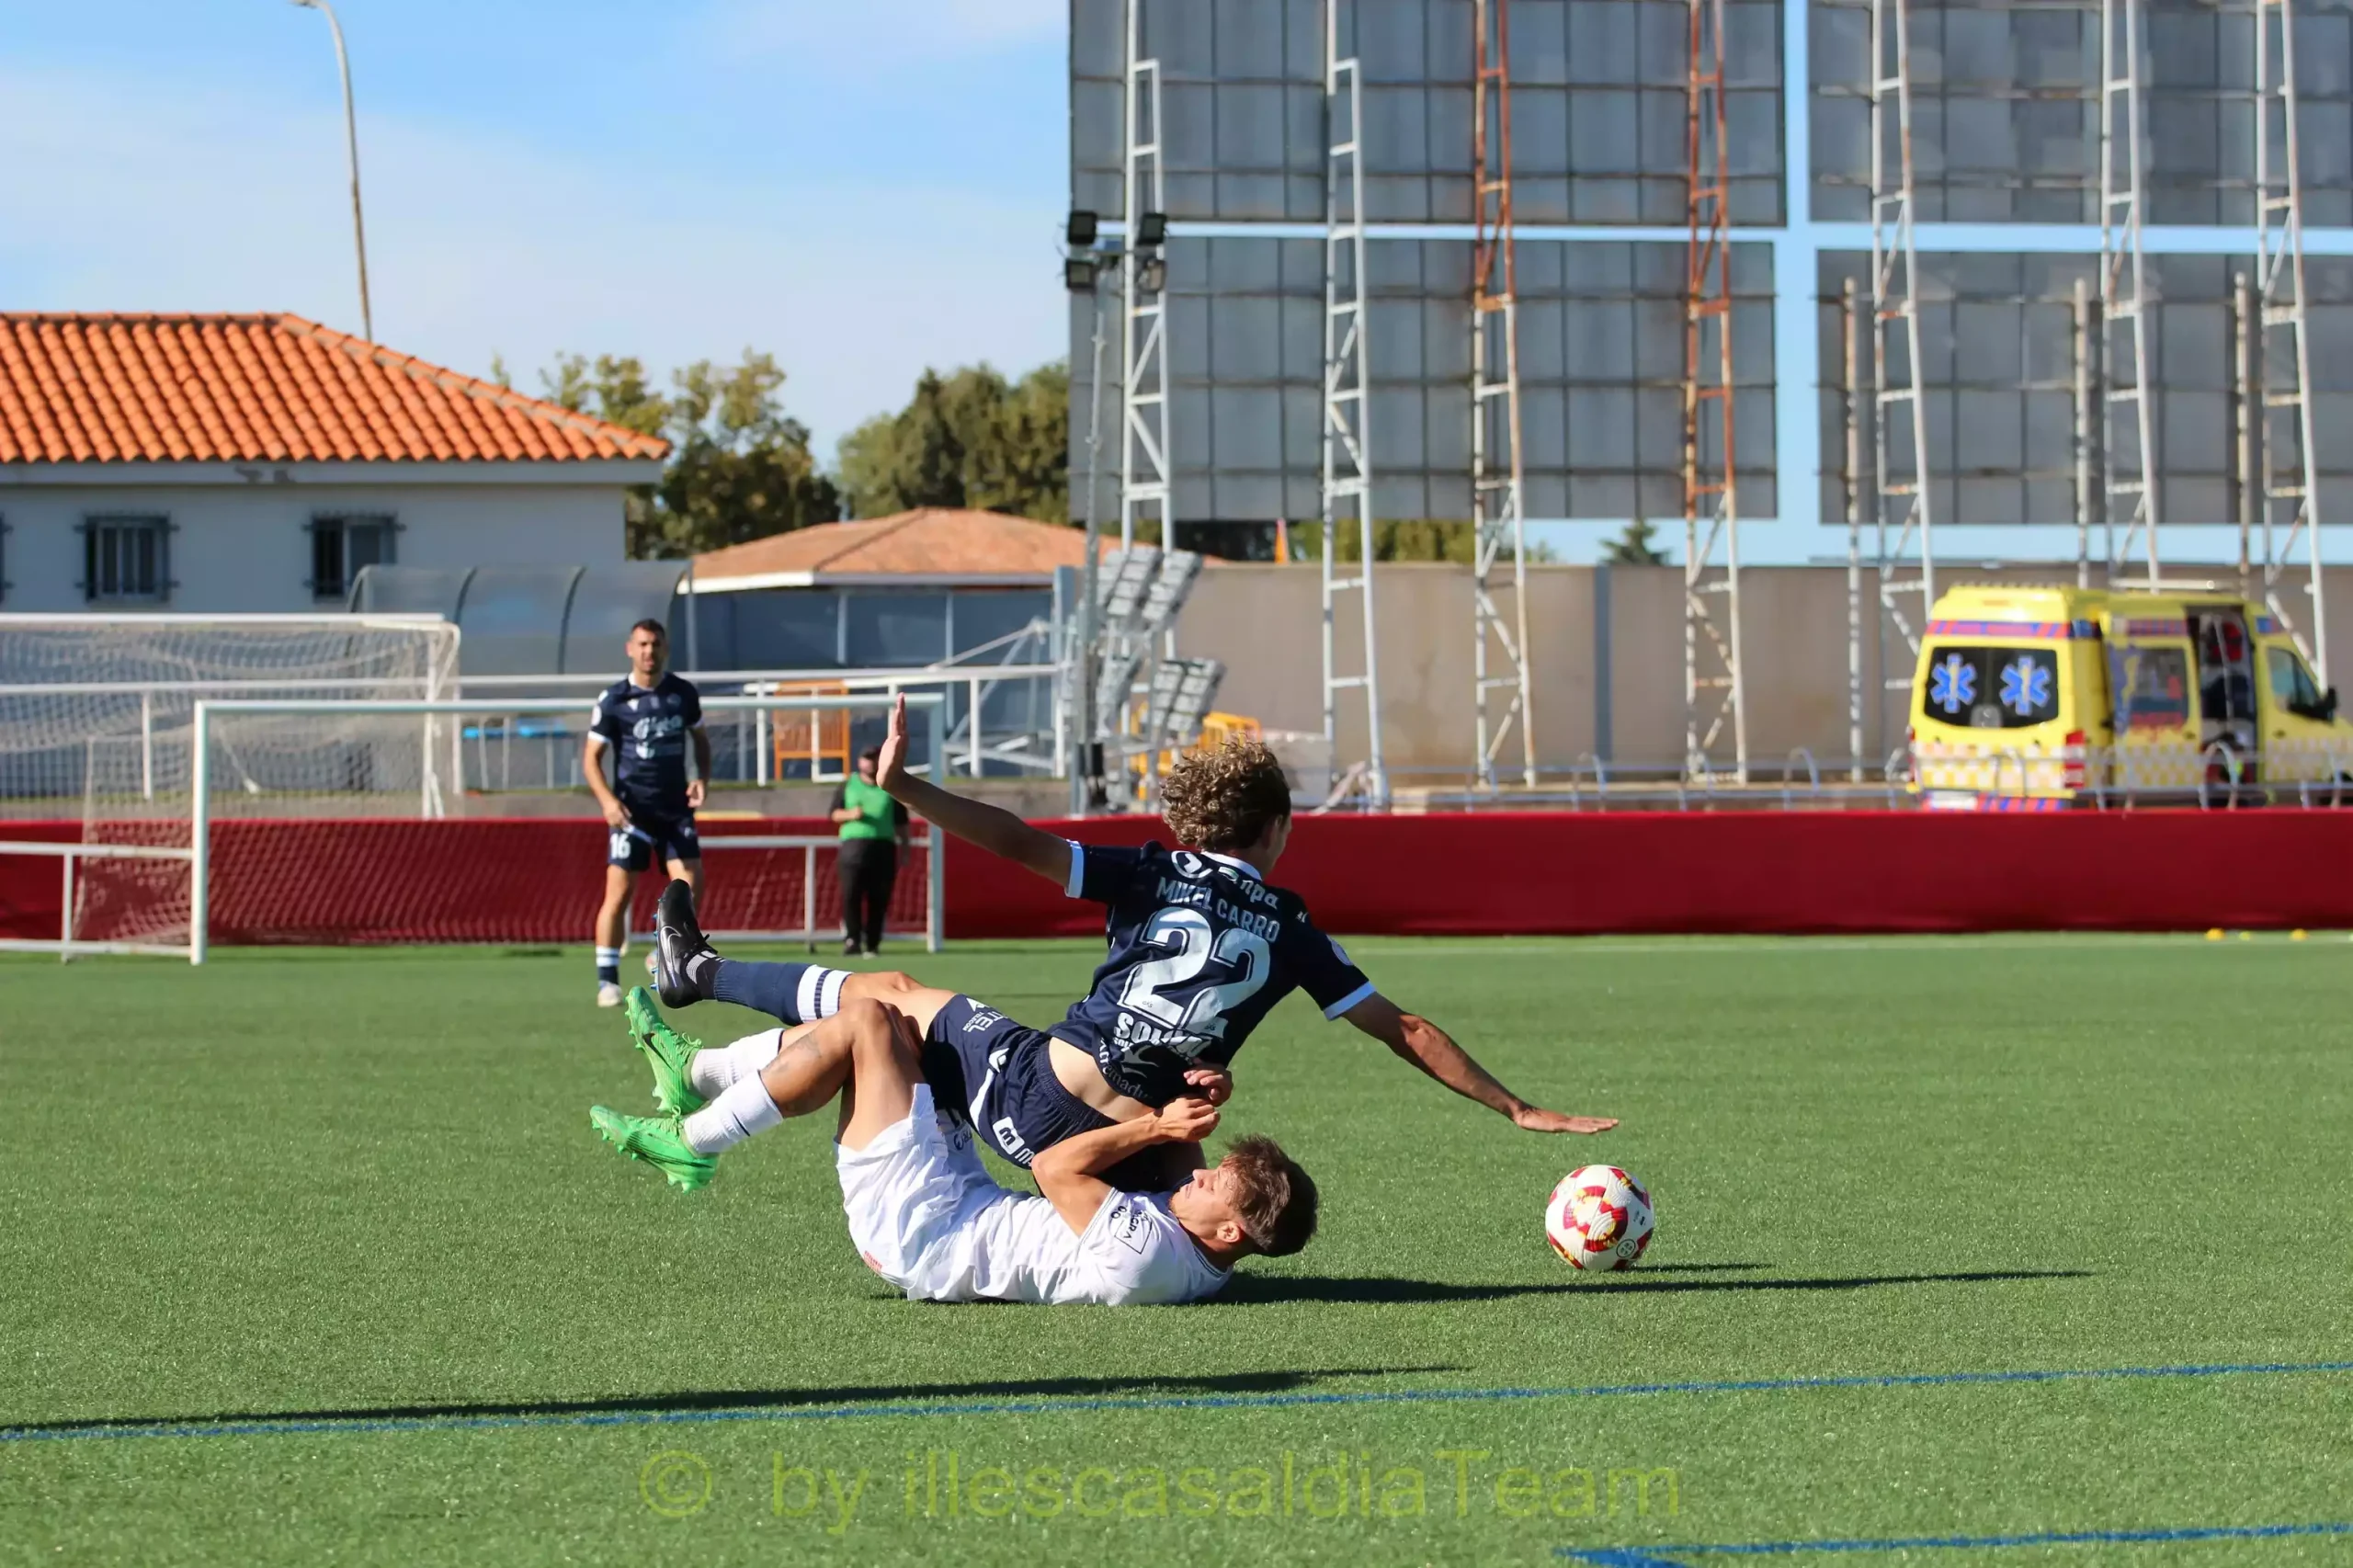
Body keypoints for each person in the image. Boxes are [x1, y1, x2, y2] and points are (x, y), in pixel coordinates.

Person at [643, 694, 1614, 1182]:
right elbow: (1405, 1027)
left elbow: (1019, 839)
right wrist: (1516, 1106)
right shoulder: (1290, 927)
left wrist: (908, 789)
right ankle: (698, 1058)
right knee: (896, 1013)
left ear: (1197, 823)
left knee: (886, 993)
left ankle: (702, 975)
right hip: (1136, 1154)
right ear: (1276, 830)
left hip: (1035, 1099)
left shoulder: (1150, 869)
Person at [589, 990, 1314, 1305]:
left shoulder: (1153, 1260)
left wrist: (1158, 1128)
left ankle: (694, 1135)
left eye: (1221, 1182)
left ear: (1231, 1229)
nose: (1205, 1175)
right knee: (907, 1038)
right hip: (959, 1199)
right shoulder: (1203, 1244)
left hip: (919, 1230)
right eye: (1221, 1166)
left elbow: (1052, 1165)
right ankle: (694, 1074)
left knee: (867, 1024)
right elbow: (1186, 1148)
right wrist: (1203, 1093)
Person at [584, 619, 710, 1007]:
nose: (648, 651)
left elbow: (700, 741)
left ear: (665, 648)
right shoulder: (613, 700)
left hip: (674, 811)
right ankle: (607, 981)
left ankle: (661, 951)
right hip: (631, 815)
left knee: (688, 885)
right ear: (630, 649)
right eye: (641, 644)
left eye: (654, 644)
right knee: (619, 893)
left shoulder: (682, 694)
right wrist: (607, 800)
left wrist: (700, 777)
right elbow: (591, 759)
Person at [829, 745, 908, 956]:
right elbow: (834, 814)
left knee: (879, 898)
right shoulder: (849, 785)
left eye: (874, 758)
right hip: (853, 849)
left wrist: (905, 849)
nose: (871, 763)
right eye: (867, 758)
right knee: (851, 895)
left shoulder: (890, 787)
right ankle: (852, 939)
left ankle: (873, 943)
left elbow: (901, 823)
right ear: (859, 762)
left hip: (883, 849)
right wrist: (851, 814)